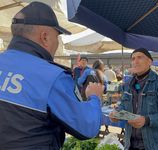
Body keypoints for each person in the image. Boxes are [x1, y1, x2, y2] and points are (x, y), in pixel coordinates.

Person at [0, 2, 103, 149]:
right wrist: (94, 97)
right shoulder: (52, 77)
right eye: (58, 36)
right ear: (45, 37)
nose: (58, 42)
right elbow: (87, 126)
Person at [109, 48, 158, 150]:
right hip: (130, 144)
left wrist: (147, 120)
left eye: (140, 57)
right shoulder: (128, 84)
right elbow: (123, 105)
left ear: (150, 61)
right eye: (133, 58)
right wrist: (116, 113)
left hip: (155, 146)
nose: (135, 61)